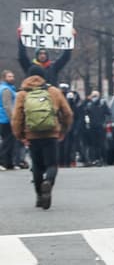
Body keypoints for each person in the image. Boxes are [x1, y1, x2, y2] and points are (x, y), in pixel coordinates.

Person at [11, 66, 74, 208]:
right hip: (51, 134)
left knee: (37, 166)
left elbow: (17, 118)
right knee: (52, 164)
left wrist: (20, 136)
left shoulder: (22, 94)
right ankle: (49, 182)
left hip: (32, 135)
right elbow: (68, 113)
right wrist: (63, 130)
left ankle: (40, 196)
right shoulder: (53, 92)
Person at [0, 69, 19, 170]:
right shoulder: (6, 90)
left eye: (12, 76)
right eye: (9, 76)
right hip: (5, 119)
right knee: (7, 142)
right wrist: (13, 119)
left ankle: (9, 163)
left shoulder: (8, 88)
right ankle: (2, 162)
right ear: (4, 78)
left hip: (3, 118)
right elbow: (7, 106)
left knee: (10, 142)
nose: (12, 78)